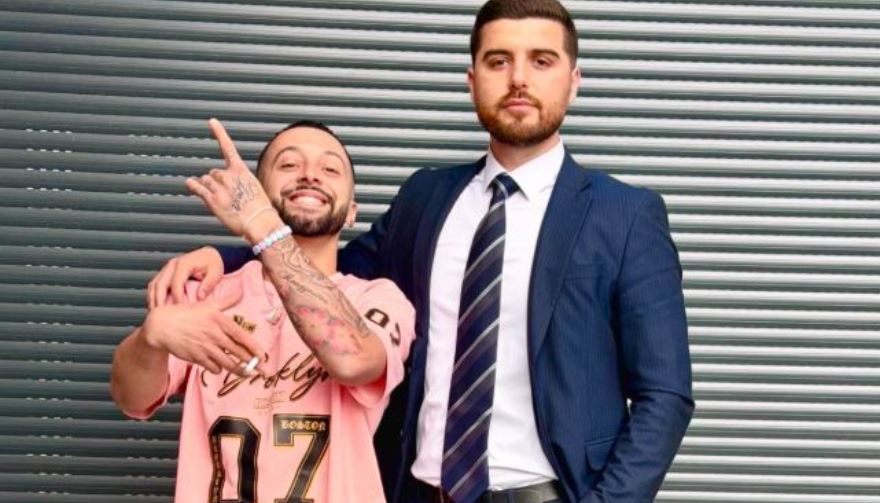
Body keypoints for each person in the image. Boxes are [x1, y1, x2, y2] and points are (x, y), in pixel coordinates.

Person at [148, 0, 694, 501]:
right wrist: (230, 256)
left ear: (573, 81)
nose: (519, 78)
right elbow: (330, 267)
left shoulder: (625, 215)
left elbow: (664, 396)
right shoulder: (425, 198)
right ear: (472, 79)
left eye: (542, 60)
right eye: (498, 61)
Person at [111, 119, 415, 503]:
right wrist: (149, 338)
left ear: (352, 211)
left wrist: (261, 225)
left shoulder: (379, 299)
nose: (310, 175)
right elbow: (131, 398)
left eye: (330, 168)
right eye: (289, 164)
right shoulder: (208, 291)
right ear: (260, 192)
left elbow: (354, 360)